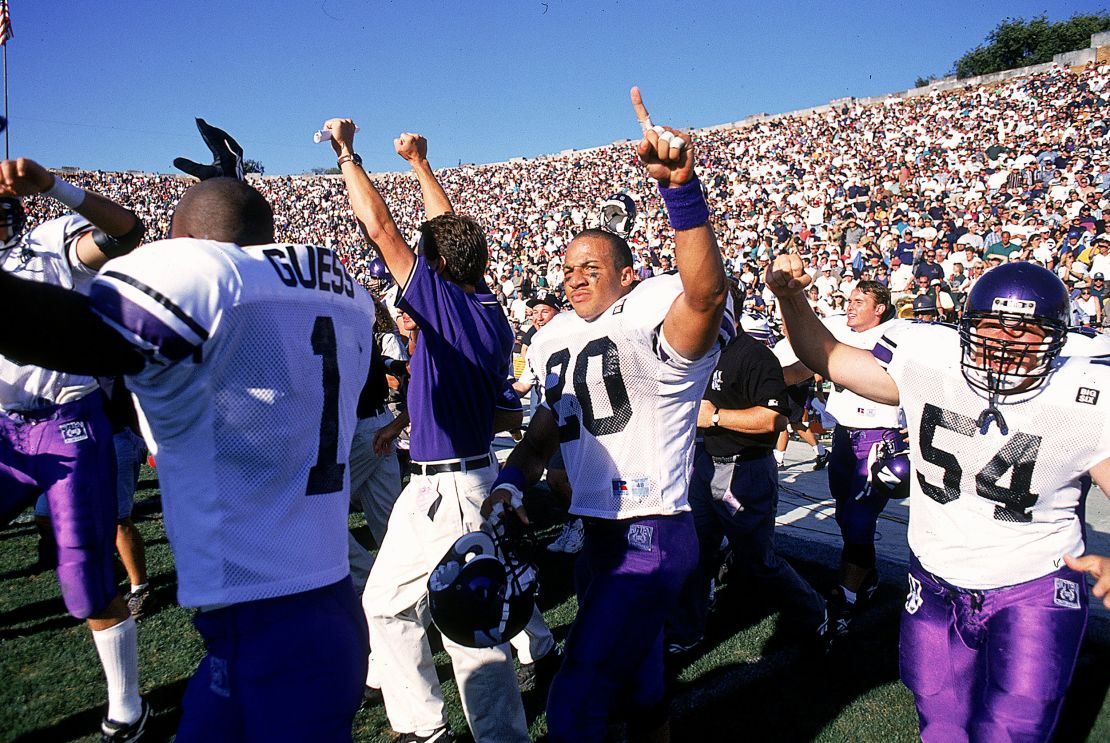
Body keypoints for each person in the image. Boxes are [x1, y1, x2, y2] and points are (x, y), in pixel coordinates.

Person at [0, 168, 375, 740]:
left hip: (265, 615)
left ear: (186, 241)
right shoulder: (345, 291)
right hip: (319, 603)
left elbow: (60, 334)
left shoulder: (199, 276)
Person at [766, 257, 1110, 742]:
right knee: (940, 725)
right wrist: (790, 297)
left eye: (1024, 330)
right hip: (933, 577)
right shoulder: (931, 359)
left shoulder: (1085, 395)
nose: (1005, 343)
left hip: (1034, 586)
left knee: (1013, 731)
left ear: (1056, 337)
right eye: (993, 325)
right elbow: (830, 357)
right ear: (967, 326)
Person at [483, 87, 729, 742]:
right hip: (598, 534)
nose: (576, 277)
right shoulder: (563, 337)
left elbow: (704, 294)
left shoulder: (649, 307)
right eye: (567, 269)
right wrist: (511, 482)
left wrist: (681, 189)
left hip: (648, 531)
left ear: (626, 274)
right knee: (644, 691)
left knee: (575, 699)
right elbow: (546, 427)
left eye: (592, 266)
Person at [326, 120, 530, 743]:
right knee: (391, 604)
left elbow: (382, 230)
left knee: (467, 627)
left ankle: (471, 733)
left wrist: (347, 155)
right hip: (445, 483)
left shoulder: (450, 305)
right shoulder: (485, 305)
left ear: (438, 269)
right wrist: (419, 165)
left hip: (453, 492)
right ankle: (425, 726)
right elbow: (454, 238)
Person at [0, 158, 150, 740]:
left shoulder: (47, 247)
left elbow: (124, 232)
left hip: (68, 425)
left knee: (85, 576)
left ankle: (129, 706)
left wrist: (54, 187)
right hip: (7, 428)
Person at [667, 310, 827, 654]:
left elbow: (774, 420)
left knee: (758, 562)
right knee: (693, 553)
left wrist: (715, 417)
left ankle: (815, 611)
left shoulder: (753, 355)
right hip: (704, 464)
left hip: (745, 470)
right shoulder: (695, 355)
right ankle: (687, 629)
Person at [817, 281, 904, 637]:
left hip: (877, 436)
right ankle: (866, 576)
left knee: (857, 517)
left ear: (880, 308)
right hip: (842, 433)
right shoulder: (838, 327)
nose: (849, 306)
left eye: (859, 301)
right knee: (843, 512)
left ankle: (847, 593)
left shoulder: (898, 334)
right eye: (849, 299)